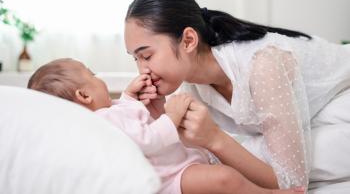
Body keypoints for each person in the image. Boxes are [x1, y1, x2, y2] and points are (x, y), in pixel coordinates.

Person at [124, 0, 350, 191]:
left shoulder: (262, 65)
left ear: (189, 40)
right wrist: (156, 115)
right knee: (254, 151)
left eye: (147, 55)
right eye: (136, 59)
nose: (142, 70)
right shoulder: (193, 89)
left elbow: (292, 185)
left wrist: (215, 139)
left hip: (342, 94)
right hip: (314, 107)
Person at [27, 58, 302, 194]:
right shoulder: (102, 122)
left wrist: (130, 95)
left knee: (223, 175)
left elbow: (128, 116)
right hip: (170, 179)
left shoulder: (110, 112)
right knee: (225, 179)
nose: (100, 79)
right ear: (84, 96)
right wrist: (172, 114)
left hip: (181, 166)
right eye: (93, 75)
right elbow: (146, 139)